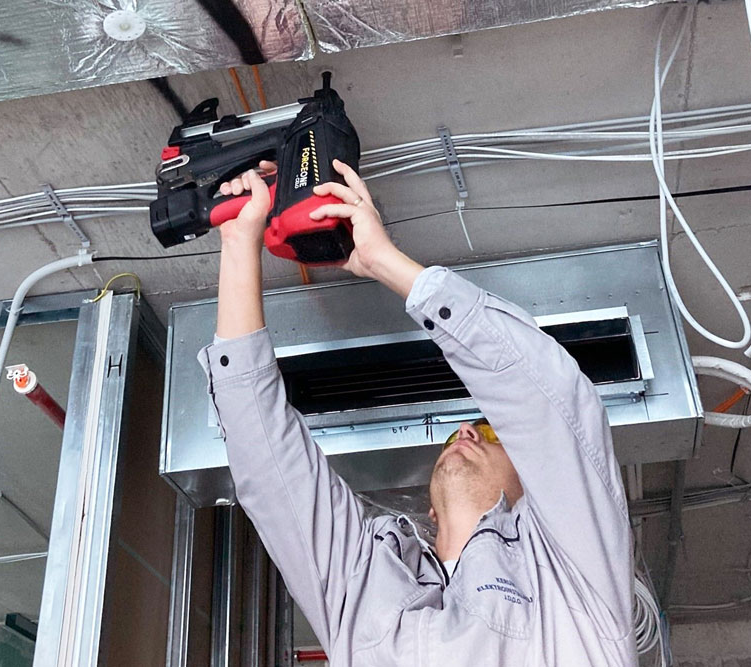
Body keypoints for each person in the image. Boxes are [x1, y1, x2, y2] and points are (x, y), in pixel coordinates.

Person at [197, 159, 636, 666]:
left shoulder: (573, 570)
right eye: (477, 431)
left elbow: (266, 471)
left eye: (492, 434)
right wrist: (377, 262)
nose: (467, 431)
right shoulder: (373, 580)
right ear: (428, 513)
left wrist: (238, 245)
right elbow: (279, 476)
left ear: (535, 486)